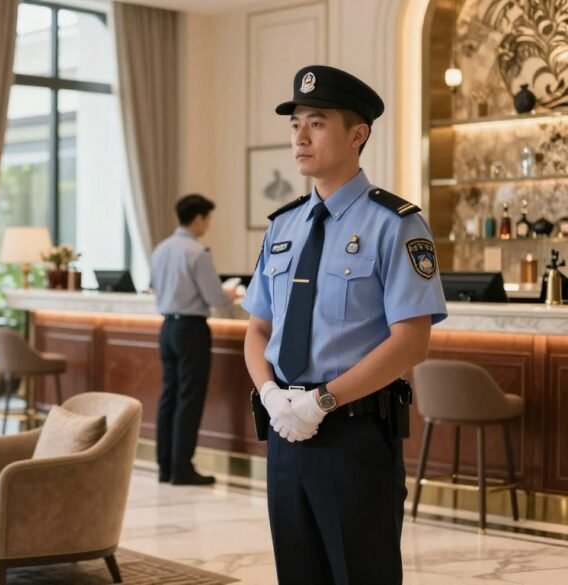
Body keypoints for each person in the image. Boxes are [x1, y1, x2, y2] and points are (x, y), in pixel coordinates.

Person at [241, 65, 448, 584]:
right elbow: (257, 330)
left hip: (354, 436)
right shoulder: (284, 225)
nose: (300, 136)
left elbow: (412, 342)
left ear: (358, 134)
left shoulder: (394, 223)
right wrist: (269, 394)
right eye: (294, 125)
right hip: (286, 429)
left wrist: (323, 400)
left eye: (317, 122)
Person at [150, 194, 234, 486]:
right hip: (191, 330)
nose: (208, 224)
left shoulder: (161, 249)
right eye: (207, 218)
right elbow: (215, 298)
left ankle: (165, 467)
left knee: (169, 397)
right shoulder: (197, 252)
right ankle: (182, 468)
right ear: (197, 218)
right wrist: (231, 294)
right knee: (189, 399)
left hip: (167, 329)